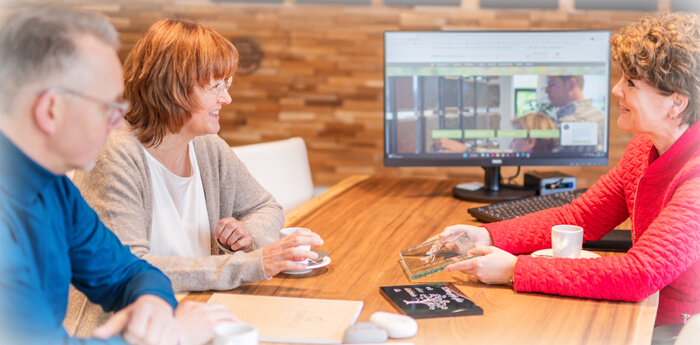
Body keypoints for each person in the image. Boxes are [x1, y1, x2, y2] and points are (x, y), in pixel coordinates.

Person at [433, 12, 700, 327]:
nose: (616, 90)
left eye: (630, 83)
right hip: (639, 312)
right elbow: (578, 218)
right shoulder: (643, 148)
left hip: (675, 327)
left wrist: (513, 271)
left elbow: (638, 275)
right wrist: (488, 235)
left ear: (676, 103)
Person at [66, 18, 324, 335]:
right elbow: (130, 268)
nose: (226, 99)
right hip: (130, 330)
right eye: (215, 87)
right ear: (172, 90)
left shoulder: (205, 146)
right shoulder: (115, 154)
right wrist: (252, 264)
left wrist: (247, 234)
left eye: (226, 85)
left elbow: (266, 207)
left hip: (198, 312)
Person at [0, 6, 237, 345]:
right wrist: (172, 336)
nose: (118, 124)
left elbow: (128, 272)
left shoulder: (55, 190)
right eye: (109, 108)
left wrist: (153, 303)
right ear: (51, 110)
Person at [545, 75, 606, 152]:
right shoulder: (599, 115)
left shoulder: (566, 125)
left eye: (552, 84)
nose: (547, 90)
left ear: (571, 85)